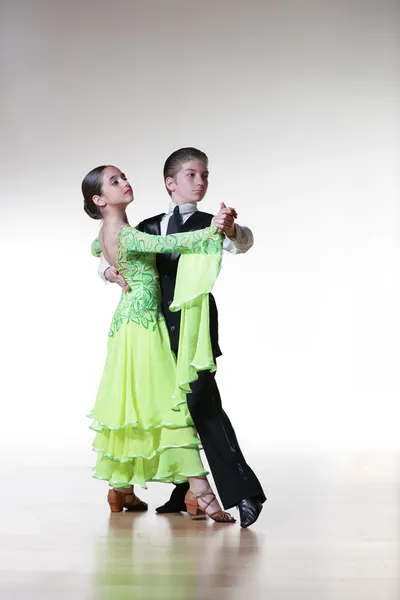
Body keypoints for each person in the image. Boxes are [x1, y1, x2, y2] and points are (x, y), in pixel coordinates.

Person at [99, 148, 266, 528]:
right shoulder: (148, 225)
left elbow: (244, 242)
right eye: (192, 175)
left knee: (203, 406)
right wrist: (110, 275)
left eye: (205, 175)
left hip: (194, 330)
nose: (201, 182)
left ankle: (244, 493)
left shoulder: (211, 222)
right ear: (170, 183)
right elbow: (107, 254)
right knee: (171, 409)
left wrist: (230, 229)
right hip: (152, 332)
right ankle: (184, 492)